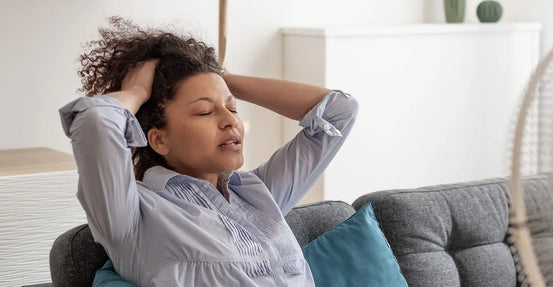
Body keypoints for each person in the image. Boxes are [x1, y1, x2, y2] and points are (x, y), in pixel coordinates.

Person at [60, 17, 357, 286]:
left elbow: (340, 112)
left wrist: (221, 79)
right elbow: (95, 123)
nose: (231, 121)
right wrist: (138, 92)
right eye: (204, 112)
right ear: (158, 139)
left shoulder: (258, 195)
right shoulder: (134, 216)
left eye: (232, 108)